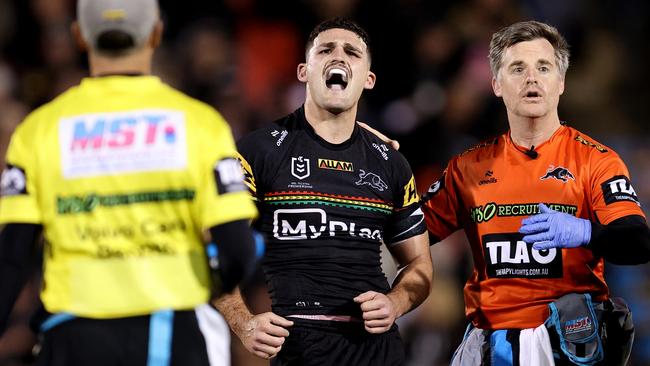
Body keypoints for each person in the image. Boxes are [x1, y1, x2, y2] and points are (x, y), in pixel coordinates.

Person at [0, 0, 259, 364]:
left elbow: (11, 259)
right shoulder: (200, 124)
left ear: (79, 36)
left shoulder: (37, 131)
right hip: (169, 334)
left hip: (73, 339)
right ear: (156, 33)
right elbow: (239, 251)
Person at [418, 20, 650, 365]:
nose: (532, 78)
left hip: (570, 343)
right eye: (517, 68)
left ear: (561, 82)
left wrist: (585, 231)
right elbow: (409, 235)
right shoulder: (466, 168)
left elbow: (638, 243)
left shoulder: (597, 161)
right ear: (496, 84)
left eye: (544, 67)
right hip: (490, 345)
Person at [214, 17, 433, 366]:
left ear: (369, 79)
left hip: (378, 349)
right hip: (298, 346)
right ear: (303, 71)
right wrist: (244, 323)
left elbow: (419, 263)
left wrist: (396, 302)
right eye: (326, 50)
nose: (339, 57)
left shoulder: (391, 163)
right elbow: (215, 246)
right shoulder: (259, 152)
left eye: (352, 52)